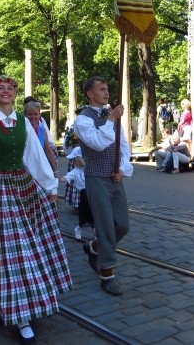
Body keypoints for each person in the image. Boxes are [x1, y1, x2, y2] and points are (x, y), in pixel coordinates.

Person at [0, 75, 72, 344]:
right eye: (0, 89)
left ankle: (23, 300)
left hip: (23, 185)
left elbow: (34, 156)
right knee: (9, 248)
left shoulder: (23, 124)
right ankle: (19, 313)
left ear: (15, 94)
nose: (5, 92)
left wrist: (50, 187)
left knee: (29, 244)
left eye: (10, 89)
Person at [74, 75, 133, 297]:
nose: (107, 92)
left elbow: (123, 145)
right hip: (96, 178)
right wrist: (110, 120)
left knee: (123, 224)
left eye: (107, 88)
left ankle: (94, 247)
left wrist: (123, 168)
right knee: (106, 226)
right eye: (101, 89)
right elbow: (98, 144)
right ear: (90, 93)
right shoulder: (82, 120)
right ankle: (107, 276)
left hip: (114, 177)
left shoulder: (113, 116)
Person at [23, 97, 60, 177]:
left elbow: (48, 151)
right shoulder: (21, 130)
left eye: (35, 114)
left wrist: (56, 171)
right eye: (30, 114)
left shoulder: (42, 131)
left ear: (39, 115)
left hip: (40, 167)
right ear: (25, 115)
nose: (33, 117)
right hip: (25, 169)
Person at [65, 147, 93, 241]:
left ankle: (95, 235)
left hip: (92, 192)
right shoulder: (76, 171)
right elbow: (67, 177)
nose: (73, 162)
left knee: (91, 215)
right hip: (84, 194)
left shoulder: (89, 168)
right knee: (87, 214)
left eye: (75, 160)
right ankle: (80, 228)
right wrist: (56, 177)